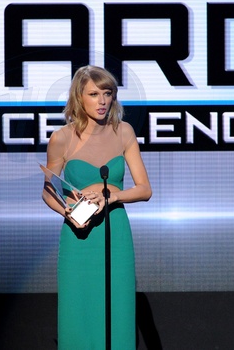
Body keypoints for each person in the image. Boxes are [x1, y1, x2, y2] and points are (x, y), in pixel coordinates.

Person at [42, 65, 152, 349]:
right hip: (79, 234)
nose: (102, 101)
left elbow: (144, 189)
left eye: (107, 93)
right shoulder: (61, 138)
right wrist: (67, 212)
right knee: (79, 308)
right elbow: (48, 190)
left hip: (115, 231)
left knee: (117, 306)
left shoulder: (123, 132)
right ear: (79, 97)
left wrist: (111, 198)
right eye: (94, 94)